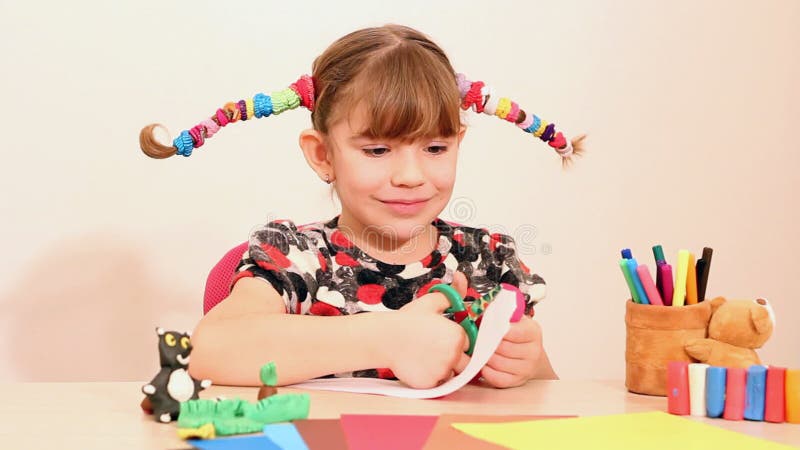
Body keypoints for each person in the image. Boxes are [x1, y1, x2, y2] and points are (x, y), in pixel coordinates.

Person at [139, 24, 584, 389]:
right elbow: (210, 350)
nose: (410, 175)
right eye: (377, 150)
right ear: (323, 155)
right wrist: (387, 339)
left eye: (434, 148)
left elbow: (548, 400)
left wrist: (529, 364)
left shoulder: (489, 262)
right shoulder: (295, 256)